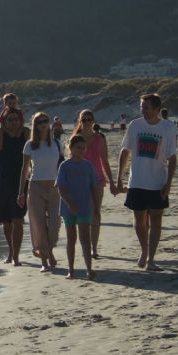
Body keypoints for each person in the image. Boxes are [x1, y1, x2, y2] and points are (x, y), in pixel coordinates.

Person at [117, 94, 178, 272]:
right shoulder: (134, 125)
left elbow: (173, 158)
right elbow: (125, 151)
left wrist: (168, 183)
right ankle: (144, 250)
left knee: (156, 219)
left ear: (157, 109)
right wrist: (119, 177)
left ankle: (151, 258)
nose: (143, 110)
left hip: (158, 181)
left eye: (146, 107)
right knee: (139, 219)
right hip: (137, 181)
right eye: (141, 107)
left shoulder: (168, 127)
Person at [0, 106, 30, 266]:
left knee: (18, 219)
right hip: (1, 183)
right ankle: (10, 250)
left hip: (20, 183)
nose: (13, 122)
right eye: (9, 120)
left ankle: (16, 255)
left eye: (16, 119)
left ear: (20, 120)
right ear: (3, 121)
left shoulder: (26, 135)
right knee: (6, 221)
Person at [18, 112, 62, 272]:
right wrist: (21, 193)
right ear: (35, 125)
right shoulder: (30, 145)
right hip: (36, 188)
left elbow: (62, 166)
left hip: (55, 188)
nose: (43, 124)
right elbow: (24, 170)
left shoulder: (56, 143)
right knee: (39, 225)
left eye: (45, 121)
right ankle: (45, 260)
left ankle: (48, 250)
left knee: (55, 224)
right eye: (39, 122)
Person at [72, 109, 118, 259]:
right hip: (79, 181)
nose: (87, 122)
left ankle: (94, 248)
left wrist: (112, 182)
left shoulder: (99, 138)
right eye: (84, 120)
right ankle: (85, 245)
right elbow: (71, 161)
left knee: (95, 213)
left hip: (97, 180)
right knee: (83, 215)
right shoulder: (76, 139)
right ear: (80, 121)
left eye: (89, 119)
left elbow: (104, 161)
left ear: (93, 121)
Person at [56, 134, 100, 280]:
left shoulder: (88, 165)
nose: (81, 151)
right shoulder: (64, 166)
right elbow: (60, 188)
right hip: (68, 208)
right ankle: (71, 270)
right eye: (78, 148)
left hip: (84, 207)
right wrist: (70, 204)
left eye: (83, 148)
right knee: (71, 238)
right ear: (71, 148)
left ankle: (89, 269)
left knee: (85, 238)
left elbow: (94, 187)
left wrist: (96, 207)